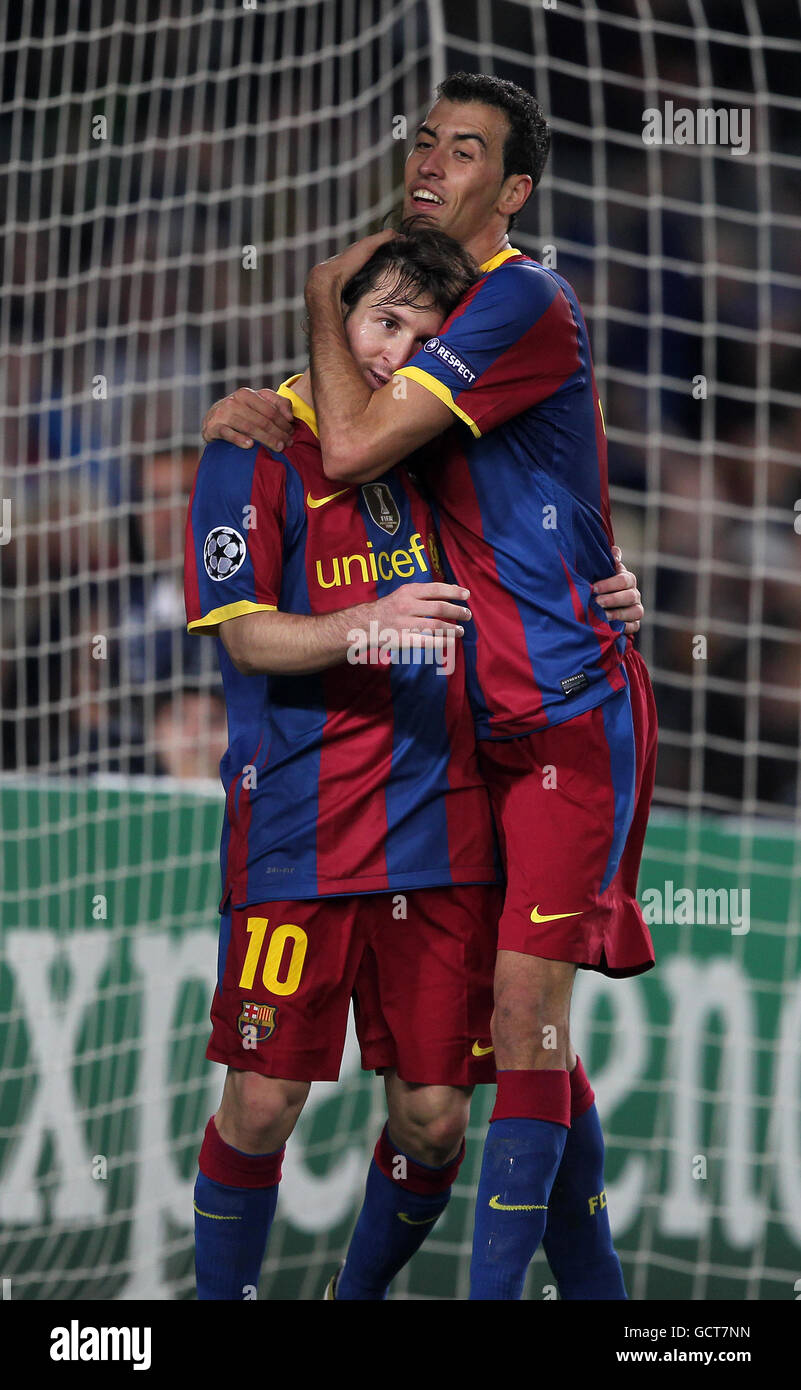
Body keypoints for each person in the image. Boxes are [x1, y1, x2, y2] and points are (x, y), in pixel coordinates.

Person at [204, 72, 655, 1302]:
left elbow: (355, 442)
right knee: (520, 1040)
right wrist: (274, 404)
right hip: (446, 752)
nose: (430, 161)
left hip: (560, 712)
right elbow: (361, 428)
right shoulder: (426, 349)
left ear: (514, 191)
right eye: (425, 140)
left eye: (465, 150)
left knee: (509, 1036)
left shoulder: (521, 297)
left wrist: (319, 300)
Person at [185, 229, 505, 1301]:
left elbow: (544, 556)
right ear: (337, 317)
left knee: (435, 1118)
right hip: (299, 827)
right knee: (263, 1101)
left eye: (422, 337)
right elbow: (246, 638)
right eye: (381, 320)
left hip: (441, 822)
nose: (393, 353)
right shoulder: (254, 446)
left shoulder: (452, 450)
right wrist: (370, 623)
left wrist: (608, 584)